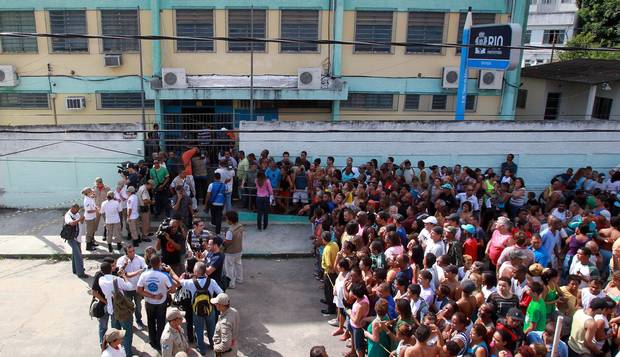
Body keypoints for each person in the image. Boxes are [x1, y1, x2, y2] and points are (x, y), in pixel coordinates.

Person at [174, 261, 223, 355]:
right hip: (210, 309)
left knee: (199, 329)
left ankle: (201, 348)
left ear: (196, 272)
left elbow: (178, 282)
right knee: (211, 328)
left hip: (196, 311)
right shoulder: (211, 282)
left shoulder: (191, 283)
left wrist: (170, 271)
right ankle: (213, 344)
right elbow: (221, 293)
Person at [137, 255, 174, 352]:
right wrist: (165, 290)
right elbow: (173, 289)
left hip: (149, 302)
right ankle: (159, 342)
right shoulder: (164, 275)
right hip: (161, 303)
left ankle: (152, 340)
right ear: (160, 263)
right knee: (161, 322)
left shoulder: (144, 275)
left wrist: (152, 296)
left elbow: (139, 290)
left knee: (150, 321)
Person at [98, 261, 134, 355]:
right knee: (127, 333)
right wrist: (124, 277)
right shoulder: (117, 279)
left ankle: (117, 351)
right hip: (122, 310)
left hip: (112, 309)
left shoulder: (101, 280)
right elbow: (130, 287)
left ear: (102, 271)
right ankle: (127, 353)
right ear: (111, 269)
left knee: (116, 333)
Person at [116, 244, 147, 329]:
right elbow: (119, 273)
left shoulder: (140, 259)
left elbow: (145, 269)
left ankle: (139, 321)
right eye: (130, 252)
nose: (133, 253)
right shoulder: (121, 260)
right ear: (126, 253)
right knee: (127, 307)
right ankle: (130, 324)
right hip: (126, 288)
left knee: (138, 306)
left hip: (137, 288)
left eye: (133, 251)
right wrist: (125, 265)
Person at [212, 293, 240, 357]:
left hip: (225, 353)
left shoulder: (225, 323)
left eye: (217, 304)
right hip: (233, 347)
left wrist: (215, 348)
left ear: (221, 305)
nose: (215, 305)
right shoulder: (234, 311)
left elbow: (226, 345)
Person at [64, 203, 86, 278]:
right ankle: (81, 273)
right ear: (72, 208)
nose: (77, 211)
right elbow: (72, 223)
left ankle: (75, 270)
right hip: (71, 238)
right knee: (78, 256)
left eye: (78, 210)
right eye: (76, 210)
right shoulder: (68, 215)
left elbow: (81, 222)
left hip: (78, 238)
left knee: (75, 254)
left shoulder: (77, 214)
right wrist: (79, 219)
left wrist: (82, 219)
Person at [224, 211, 244, 289]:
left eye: (227, 219)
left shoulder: (230, 231)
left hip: (231, 252)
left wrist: (223, 242)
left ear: (230, 220)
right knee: (238, 264)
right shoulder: (240, 226)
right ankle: (239, 279)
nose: (226, 221)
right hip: (239, 250)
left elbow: (227, 242)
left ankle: (231, 284)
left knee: (229, 268)